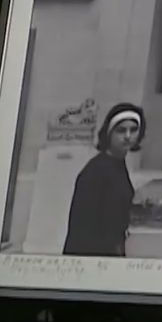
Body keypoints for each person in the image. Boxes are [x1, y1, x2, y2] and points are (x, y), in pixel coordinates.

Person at [63, 102, 145, 257]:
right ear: (109, 133)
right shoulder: (95, 172)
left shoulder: (118, 163)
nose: (128, 136)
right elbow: (82, 228)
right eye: (121, 130)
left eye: (133, 130)